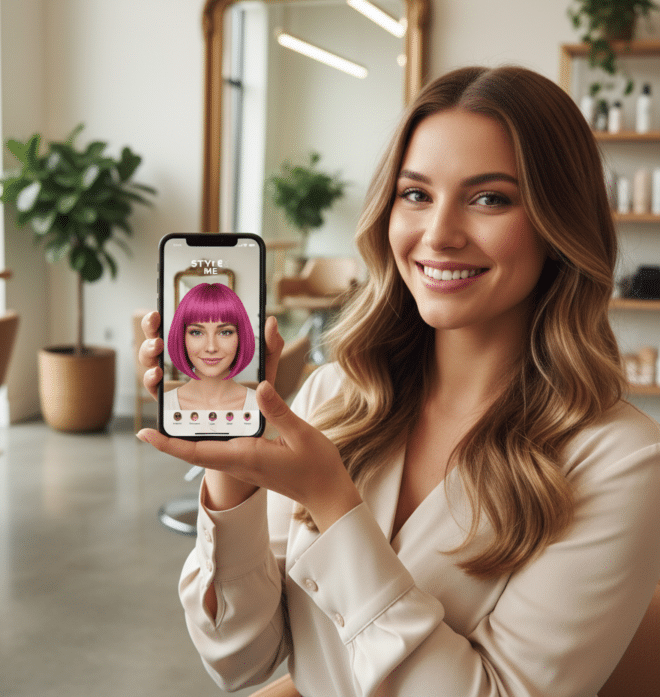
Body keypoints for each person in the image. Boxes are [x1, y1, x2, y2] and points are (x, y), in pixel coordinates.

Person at [138, 66, 660, 697]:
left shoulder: (621, 462)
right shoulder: (335, 397)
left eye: (489, 198)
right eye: (416, 195)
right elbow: (239, 660)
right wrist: (233, 475)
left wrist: (334, 504)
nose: (438, 234)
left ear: (558, 225)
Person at [164, 282, 257, 413]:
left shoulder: (261, 406)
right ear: (181, 337)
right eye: (197, 332)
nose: (211, 348)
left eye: (225, 332)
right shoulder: (165, 405)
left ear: (241, 337)